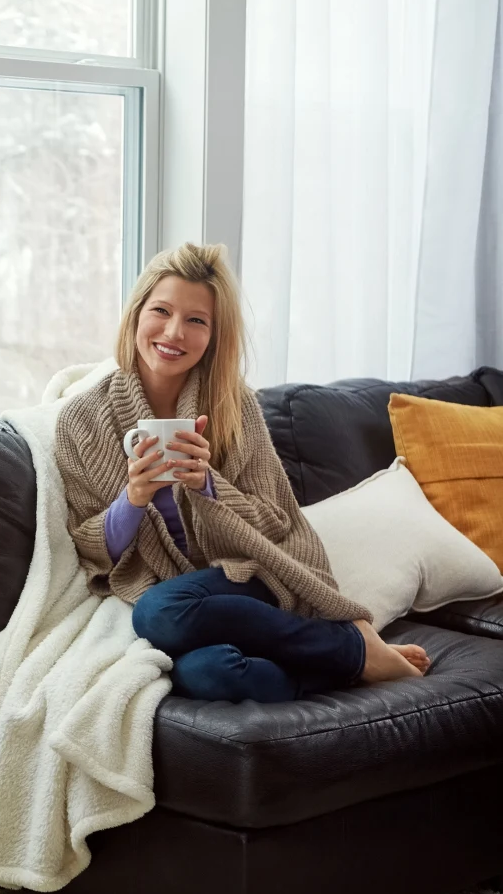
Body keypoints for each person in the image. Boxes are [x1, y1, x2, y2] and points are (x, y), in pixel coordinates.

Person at [54, 243, 428, 703]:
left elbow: (274, 519)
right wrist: (132, 500)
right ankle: (344, 662)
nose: (174, 332)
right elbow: (92, 547)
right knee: (208, 673)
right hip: (183, 599)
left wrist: (207, 485)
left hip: (248, 576)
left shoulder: (235, 404)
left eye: (196, 320)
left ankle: (355, 650)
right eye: (162, 311)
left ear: (214, 334)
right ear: (136, 314)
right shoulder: (81, 422)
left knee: (157, 613)